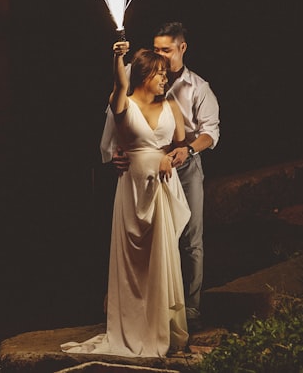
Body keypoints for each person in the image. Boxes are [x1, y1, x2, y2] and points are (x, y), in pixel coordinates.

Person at [62, 41, 191, 357]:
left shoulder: (170, 106)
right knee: (132, 263)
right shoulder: (123, 104)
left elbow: (183, 145)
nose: (164, 79)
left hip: (160, 186)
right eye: (159, 73)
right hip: (131, 189)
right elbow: (120, 84)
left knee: (159, 258)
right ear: (144, 75)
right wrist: (118, 56)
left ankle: (160, 327)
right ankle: (132, 328)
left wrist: (170, 156)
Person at [99, 21, 220, 331]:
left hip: (185, 162)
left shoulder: (198, 87)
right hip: (142, 171)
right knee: (145, 240)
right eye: (156, 50)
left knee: (189, 238)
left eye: (167, 50)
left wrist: (185, 152)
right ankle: (142, 308)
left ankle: (188, 309)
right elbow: (117, 112)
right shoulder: (137, 73)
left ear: (182, 48)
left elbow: (209, 133)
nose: (161, 56)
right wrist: (116, 151)